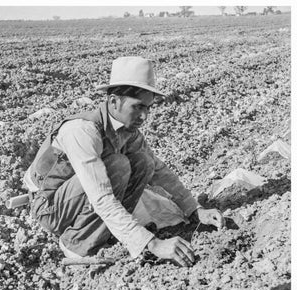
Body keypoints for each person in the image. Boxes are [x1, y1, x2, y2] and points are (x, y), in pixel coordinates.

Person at [23, 56, 224, 267]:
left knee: (144, 161)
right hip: (49, 206)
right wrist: (151, 243)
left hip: (75, 196)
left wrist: (194, 209)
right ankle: (76, 243)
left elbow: (158, 170)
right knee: (117, 166)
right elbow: (101, 197)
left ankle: (104, 231)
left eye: (148, 108)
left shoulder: (127, 130)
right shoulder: (82, 131)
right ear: (113, 102)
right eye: (138, 107)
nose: (144, 116)